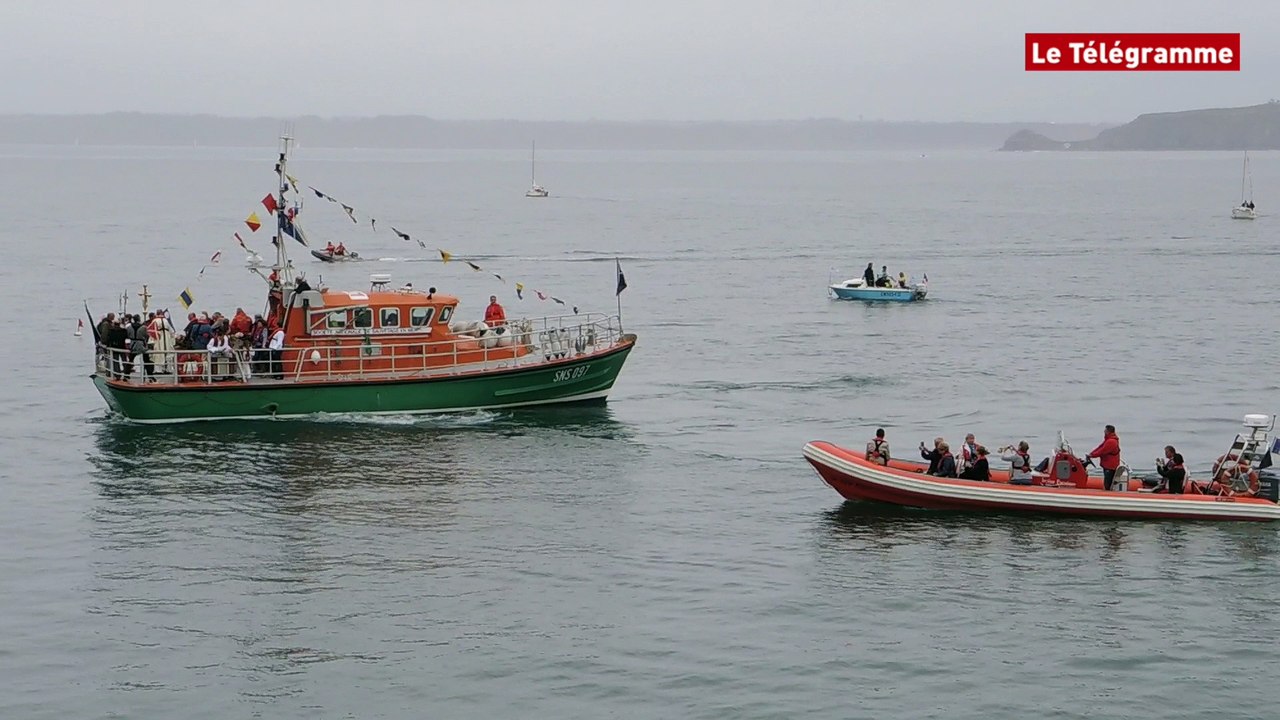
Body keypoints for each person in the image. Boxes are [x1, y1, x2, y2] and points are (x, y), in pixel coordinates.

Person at [1088, 425, 1122, 491]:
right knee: (1107, 480)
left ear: (1108, 431)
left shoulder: (1111, 441)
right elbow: (1100, 447)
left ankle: (1108, 493)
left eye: (1105, 430)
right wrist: (1091, 453)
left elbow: (1102, 451)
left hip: (1110, 466)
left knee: (1108, 483)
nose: (1104, 431)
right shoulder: (1108, 440)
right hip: (1107, 465)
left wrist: (1092, 455)